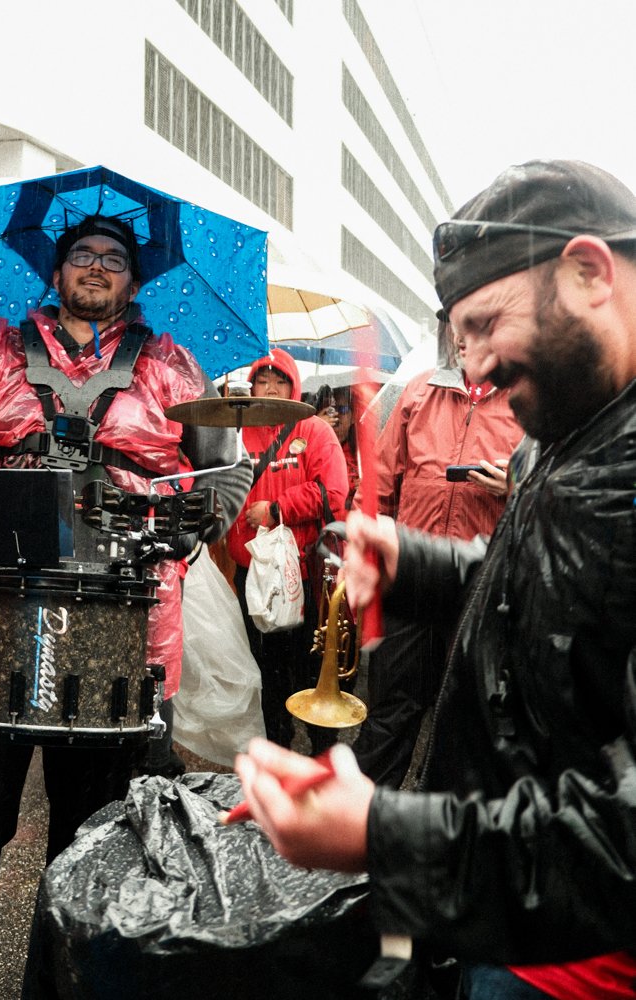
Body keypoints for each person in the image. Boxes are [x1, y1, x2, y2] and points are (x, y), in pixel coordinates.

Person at [235, 160, 636, 998]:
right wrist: (413, 564)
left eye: (486, 323)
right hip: (500, 911)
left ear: (589, 273)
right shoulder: (570, 419)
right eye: (461, 339)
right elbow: (551, 590)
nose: (476, 367)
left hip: (583, 969)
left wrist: (384, 834)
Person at [0, 214, 252, 1000]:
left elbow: (221, 471)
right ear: (54, 270)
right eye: (81, 255)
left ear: (134, 280)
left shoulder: (172, 362)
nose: (96, 267)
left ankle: (59, 987)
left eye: (113, 259)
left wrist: (196, 522)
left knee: (94, 832)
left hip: (121, 612)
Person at [353, 314, 521, 786]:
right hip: (409, 581)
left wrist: (517, 484)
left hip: (481, 588)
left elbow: (556, 497)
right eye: (458, 321)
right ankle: (363, 836)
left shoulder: (528, 402)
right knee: (390, 714)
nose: (467, 334)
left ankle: (441, 845)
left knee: (467, 720)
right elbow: (380, 488)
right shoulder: (418, 391)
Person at [226, 348, 348, 752]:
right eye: (264, 379)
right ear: (253, 383)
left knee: (307, 667)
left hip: (302, 574)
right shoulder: (235, 429)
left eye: (280, 380)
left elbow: (333, 493)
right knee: (264, 669)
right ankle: (275, 746)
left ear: (294, 386)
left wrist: (277, 509)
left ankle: (323, 750)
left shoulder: (313, 430)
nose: (272, 387)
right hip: (252, 575)